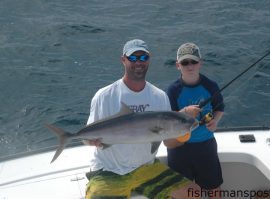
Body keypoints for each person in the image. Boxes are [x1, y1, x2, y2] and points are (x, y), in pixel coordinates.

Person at [84, 39, 200, 199]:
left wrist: (184, 133)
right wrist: (90, 141)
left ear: (149, 59)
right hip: (109, 171)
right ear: (123, 60)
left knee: (193, 194)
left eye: (143, 58)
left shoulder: (159, 97)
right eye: (133, 58)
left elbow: (168, 142)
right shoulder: (104, 96)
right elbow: (86, 139)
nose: (138, 62)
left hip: (146, 168)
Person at [166, 42, 224, 199]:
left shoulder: (210, 86)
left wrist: (215, 121)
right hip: (179, 149)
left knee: (214, 189)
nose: (190, 66)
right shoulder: (172, 90)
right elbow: (168, 121)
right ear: (178, 65)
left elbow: (220, 108)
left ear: (200, 63)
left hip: (206, 146)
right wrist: (184, 113)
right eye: (185, 62)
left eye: (193, 62)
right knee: (181, 192)